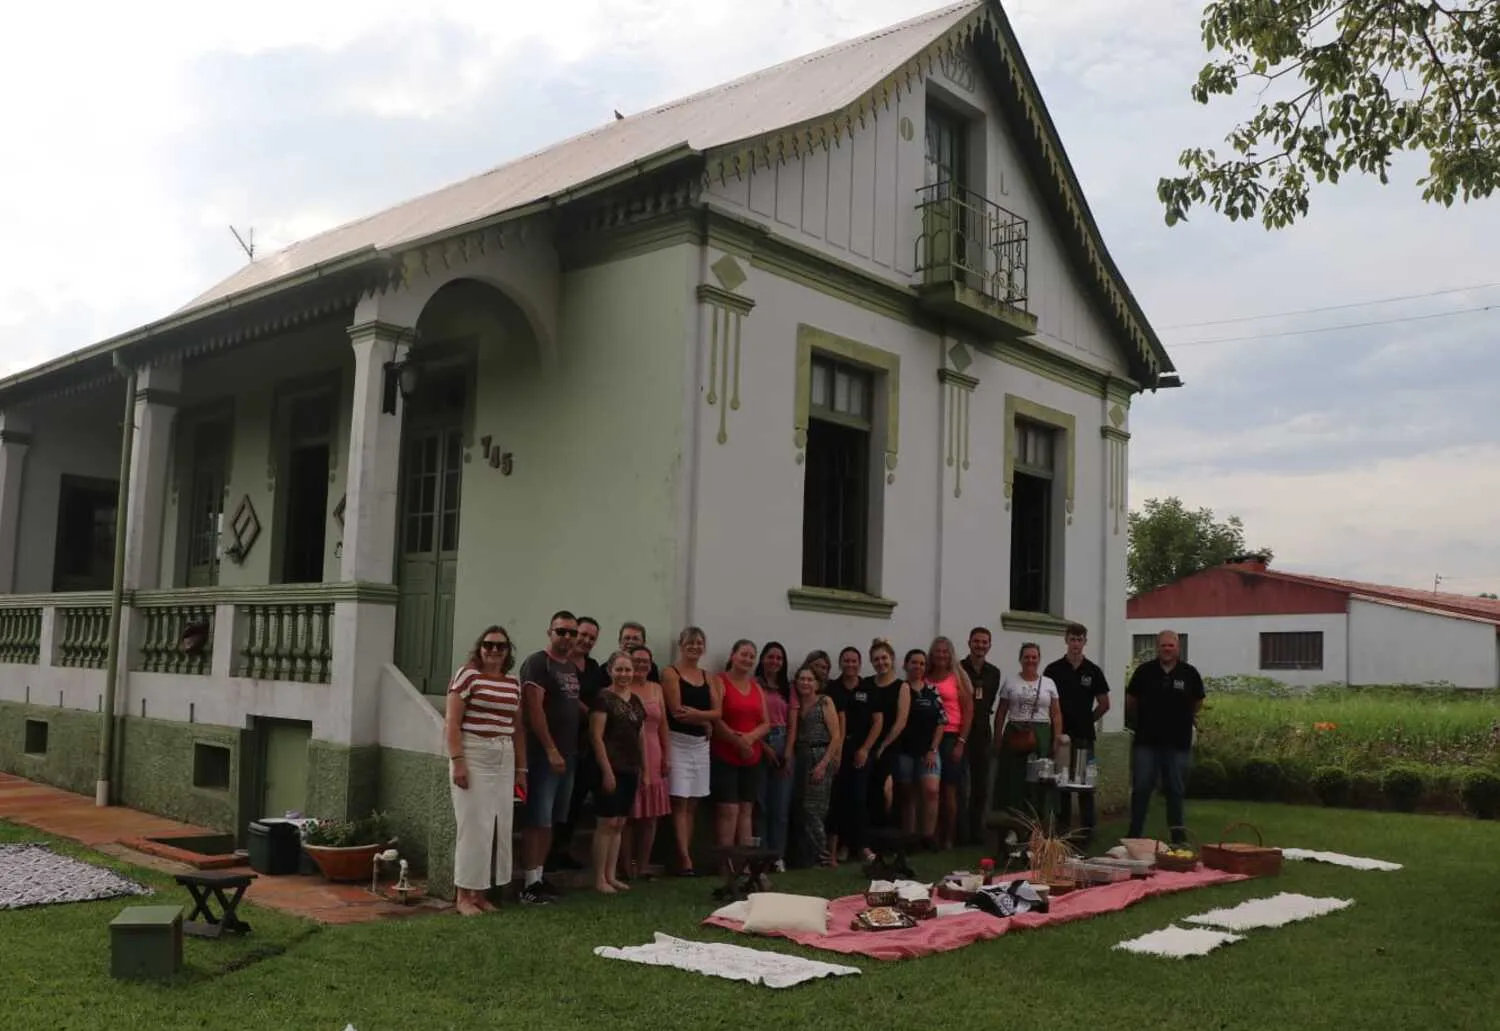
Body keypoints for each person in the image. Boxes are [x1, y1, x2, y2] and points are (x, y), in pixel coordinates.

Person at [444, 625, 525, 917]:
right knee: (473, 826)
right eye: (489, 645)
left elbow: (517, 728)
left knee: (497, 826)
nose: (494, 650)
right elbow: (452, 723)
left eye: (500, 646)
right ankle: (463, 895)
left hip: (504, 755)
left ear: (507, 652)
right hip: (474, 753)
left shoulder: (513, 683)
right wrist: (458, 761)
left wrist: (521, 768)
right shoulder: (467, 676)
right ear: (480, 648)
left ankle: (480, 894)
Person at [517, 610, 583, 905]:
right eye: (561, 631)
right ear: (549, 632)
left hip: (569, 754)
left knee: (552, 820)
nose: (567, 637)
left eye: (572, 632)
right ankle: (528, 884)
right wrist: (550, 749)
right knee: (537, 820)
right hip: (544, 755)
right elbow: (534, 710)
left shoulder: (570, 666)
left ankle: (539, 877)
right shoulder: (537, 663)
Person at [1125, 630, 1204, 845]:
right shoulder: (1144, 672)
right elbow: (1130, 701)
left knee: (1175, 790)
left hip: (1178, 743)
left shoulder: (1189, 673)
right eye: (1163, 645)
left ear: (1178, 648)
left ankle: (1178, 837)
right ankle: (1133, 836)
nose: (1167, 649)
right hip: (1146, 742)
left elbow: (1197, 702)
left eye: (1171, 645)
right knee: (1141, 789)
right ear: (1157, 647)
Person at [1044, 623, 1111, 846]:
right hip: (1062, 735)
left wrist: (1088, 719)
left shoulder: (1093, 671)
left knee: (1084, 785)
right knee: (1061, 783)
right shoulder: (1053, 670)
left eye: (1079, 639)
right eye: (1072, 639)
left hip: (1084, 736)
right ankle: (1062, 830)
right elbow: (1047, 701)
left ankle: (1086, 830)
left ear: (1085, 642)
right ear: (1066, 640)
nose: (1075, 644)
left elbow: (1104, 704)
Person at [662, 626, 720, 876]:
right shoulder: (670, 673)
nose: (695, 647)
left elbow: (718, 712)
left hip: (700, 745)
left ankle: (685, 854)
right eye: (690, 643)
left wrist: (700, 716)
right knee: (680, 800)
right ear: (681, 645)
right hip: (678, 742)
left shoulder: (708, 677)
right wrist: (704, 718)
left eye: (699, 643)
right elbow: (677, 711)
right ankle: (684, 858)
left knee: (694, 801)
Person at [588, 650, 647, 894]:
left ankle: (611, 875)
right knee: (607, 821)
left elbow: (640, 735)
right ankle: (599, 878)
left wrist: (644, 768)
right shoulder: (603, 698)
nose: (624, 674)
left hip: (630, 767)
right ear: (610, 671)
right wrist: (607, 770)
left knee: (620, 822)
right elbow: (596, 737)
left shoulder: (636, 700)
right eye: (619, 669)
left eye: (628, 669)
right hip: (609, 767)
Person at [551, 616, 602, 872]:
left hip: (586, 742)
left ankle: (563, 849)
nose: (586, 641)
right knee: (557, 800)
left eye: (592, 638)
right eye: (583, 634)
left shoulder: (593, 667)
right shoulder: (559, 664)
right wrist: (588, 712)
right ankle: (546, 854)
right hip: (561, 740)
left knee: (576, 799)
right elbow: (567, 696)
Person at [710, 639, 771, 852]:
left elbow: (766, 723)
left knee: (746, 809)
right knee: (729, 810)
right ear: (732, 655)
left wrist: (749, 739)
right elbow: (716, 719)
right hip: (725, 754)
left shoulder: (756, 687)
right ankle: (726, 862)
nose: (747, 659)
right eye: (743, 654)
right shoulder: (719, 681)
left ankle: (744, 862)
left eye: (752, 656)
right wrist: (738, 741)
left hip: (752, 757)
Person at [992, 642, 1063, 821]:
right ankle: (1013, 819)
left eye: (1034, 657)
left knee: (1040, 777)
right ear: (1020, 659)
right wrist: (998, 737)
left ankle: (1038, 821)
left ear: (1039, 659)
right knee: (1014, 777)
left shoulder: (1049, 683)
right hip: (1016, 732)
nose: (1030, 660)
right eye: (1027, 657)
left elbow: (1056, 714)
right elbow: (1001, 713)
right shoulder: (1010, 682)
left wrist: (1056, 739)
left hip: (1041, 732)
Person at [826, 646, 882, 866]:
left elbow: (878, 722)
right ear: (841, 663)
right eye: (846, 661)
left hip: (861, 750)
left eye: (854, 661)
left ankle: (863, 846)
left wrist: (865, 749)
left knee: (859, 798)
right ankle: (843, 846)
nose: (850, 665)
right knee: (839, 799)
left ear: (860, 664)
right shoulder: (833, 688)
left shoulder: (869, 688)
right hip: (839, 750)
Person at [625, 644, 671, 881]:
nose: (641, 665)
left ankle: (642, 866)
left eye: (646, 661)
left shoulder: (656, 689)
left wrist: (667, 755)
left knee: (651, 817)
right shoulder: (621, 687)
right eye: (637, 660)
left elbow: (663, 725)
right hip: (628, 754)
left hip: (654, 754)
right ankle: (627, 866)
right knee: (628, 816)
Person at [925, 637, 974, 850]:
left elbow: (968, 711)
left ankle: (949, 836)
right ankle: (931, 834)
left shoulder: (958, 678)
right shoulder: (926, 677)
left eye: (945, 651)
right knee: (931, 789)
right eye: (938, 651)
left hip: (951, 737)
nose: (941, 655)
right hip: (929, 738)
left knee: (950, 789)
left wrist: (961, 742)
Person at [791, 665, 841, 866]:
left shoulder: (824, 701)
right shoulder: (795, 704)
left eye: (809, 679)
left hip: (820, 754)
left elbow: (836, 735)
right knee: (801, 808)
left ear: (817, 684)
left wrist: (824, 764)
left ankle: (824, 857)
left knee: (815, 809)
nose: (805, 683)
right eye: (802, 679)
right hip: (800, 756)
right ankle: (807, 857)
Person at [894, 649, 944, 843]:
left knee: (931, 791)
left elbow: (941, 722)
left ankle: (928, 838)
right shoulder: (900, 689)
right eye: (914, 662)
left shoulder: (932, 692)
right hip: (904, 750)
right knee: (908, 794)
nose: (918, 666)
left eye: (922, 663)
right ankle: (909, 838)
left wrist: (933, 749)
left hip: (928, 750)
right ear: (905, 665)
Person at [754, 642, 794, 870]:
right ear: (762, 659)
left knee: (780, 806)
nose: (775, 661)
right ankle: (762, 856)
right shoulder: (754, 684)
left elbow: (792, 723)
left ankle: (778, 856)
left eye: (779, 658)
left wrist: (786, 753)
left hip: (782, 740)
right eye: (771, 657)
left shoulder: (787, 688)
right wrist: (763, 746)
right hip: (760, 741)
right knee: (761, 804)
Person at [959, 626, 1001, 845]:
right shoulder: (959, 669)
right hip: (961, 731)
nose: (980, 646)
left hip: (983, 732)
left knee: (981, 785)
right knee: (960, 784)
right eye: (976, 641)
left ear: (989, 646)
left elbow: (988, 702)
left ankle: (977, 833)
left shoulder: (994, 672)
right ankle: (959, 833)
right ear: (969, 643)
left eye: (984, 642)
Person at [864, 638, 906, 830]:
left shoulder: (901, 686)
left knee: (887, 790)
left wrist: (883, 746)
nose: (880, 662)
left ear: (892, 659)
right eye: (876, 659)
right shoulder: (866, 684)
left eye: (884, 658)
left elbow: (901, 722)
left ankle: (885, 829)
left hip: (890, 744)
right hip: (867, 743)